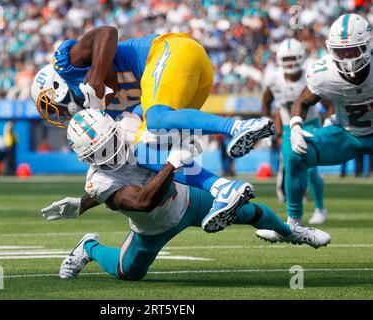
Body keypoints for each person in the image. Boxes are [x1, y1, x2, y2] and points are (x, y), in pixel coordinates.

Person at [30, 27, 276, 231]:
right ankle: (223, 188)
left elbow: (107, 32)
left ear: (57, 86)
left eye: (54, 106)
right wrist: (84, 203)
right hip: (194, 79)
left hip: (171, 51)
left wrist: (95, 77)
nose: (61, 113)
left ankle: (240, 126)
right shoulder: (104, 113)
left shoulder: (69, 63)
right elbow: (121, 168)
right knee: (142, 148)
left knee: (156, 119)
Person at [41, 109, 330, 281]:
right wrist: (173, 162)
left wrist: (81, 205)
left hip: (188, 199)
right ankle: (88, 248)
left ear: (114, 127)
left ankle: (290, 231)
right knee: (128, 272)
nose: (110, 153)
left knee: (250, 212)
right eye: (99, 153)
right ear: (86, 158)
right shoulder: (98, 180)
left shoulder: (130, 126)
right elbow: (142, 201)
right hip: (152, 227)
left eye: (110, 143)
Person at [257, 14, 373, 242]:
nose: (347, 58)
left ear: (367, 45)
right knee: (293, 153)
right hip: (347, 134)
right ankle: (292, 227)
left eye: (354, 50)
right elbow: (302, 101)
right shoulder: (323, 73)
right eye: (341, 52)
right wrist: (296, 126)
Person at [261, 38, 331, 225]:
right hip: (287, 129)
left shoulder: (311, 75)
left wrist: (329, 122)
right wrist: (267, 125)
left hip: (310, 124)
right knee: (291, 168)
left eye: (294, 58)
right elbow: (266, 101)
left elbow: (327, 102)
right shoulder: (274, 79)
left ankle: (320, 208)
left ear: (301, 57)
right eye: (287, 58)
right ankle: (293, 216)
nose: (291, 62)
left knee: (311, 171)